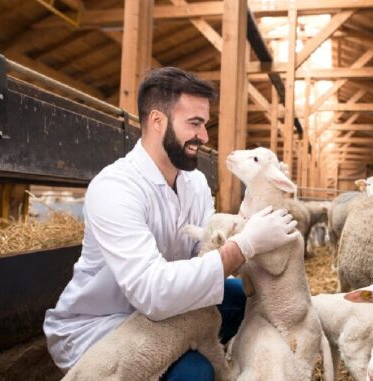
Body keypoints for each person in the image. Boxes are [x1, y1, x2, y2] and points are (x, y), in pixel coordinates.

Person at [43, 67, 300, 379]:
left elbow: (207, 255)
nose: (204, 136)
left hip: (170, 312)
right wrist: (245, 245)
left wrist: (246, 220)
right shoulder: (115, 187)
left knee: (244, 298)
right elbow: (152, 292)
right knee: (195, 372)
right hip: (104, 325)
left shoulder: (194, 183)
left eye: (204, 125)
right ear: (157, 121)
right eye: (195, 124)